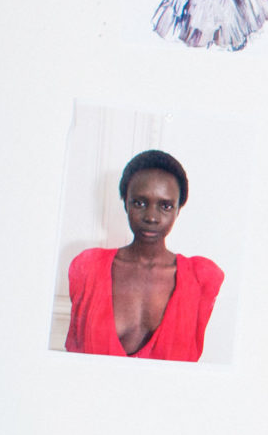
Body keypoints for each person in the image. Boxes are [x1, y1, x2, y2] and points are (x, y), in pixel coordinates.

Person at [64, 148, 224, 361]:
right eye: (139, 203)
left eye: (165, 206)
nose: (151, 217)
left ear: (178, 210)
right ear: (125, 203)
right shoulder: (88, 268)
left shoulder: (201, 278)